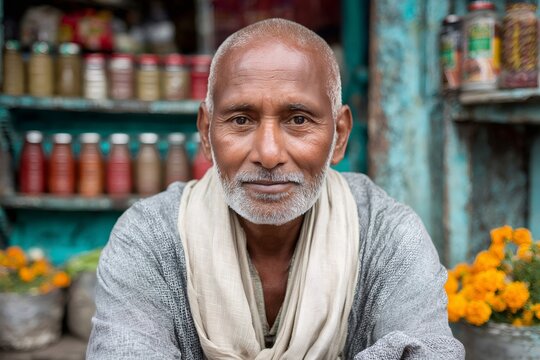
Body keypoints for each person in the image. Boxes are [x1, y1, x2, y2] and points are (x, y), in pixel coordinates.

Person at [87, 18, 464, 359]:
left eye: (298, 119)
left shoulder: (387, 235)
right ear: (206, 133)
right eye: (241, 119)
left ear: (339, 136)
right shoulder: (149, 238)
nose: (268, 154)